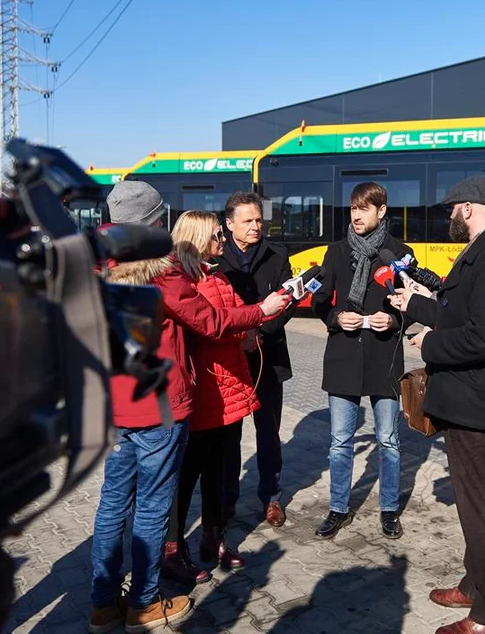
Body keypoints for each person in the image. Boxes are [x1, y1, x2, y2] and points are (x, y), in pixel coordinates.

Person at [90, 181, 255, 633]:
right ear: (153, 221)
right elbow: (212, 320)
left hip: (115, 404)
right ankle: (143, 604)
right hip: (160, 407)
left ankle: (102, 604)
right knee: (151, 508)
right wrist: (264, 309)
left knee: (110, 506)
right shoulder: (160, 270)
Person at [390, 175, 485, 634]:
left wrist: (429, 344)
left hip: (478, 407)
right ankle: (476, 585)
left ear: (467, 208)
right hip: (471, 402)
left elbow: (482, 336)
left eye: (453, 209)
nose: (450, 217)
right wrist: (416, 304)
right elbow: (461, 313)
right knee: (474, 508)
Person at [164, 211, 287, 582]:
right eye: (217, 234)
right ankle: (173, 547)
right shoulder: (184, 281)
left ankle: (213, 539)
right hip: (205, 391)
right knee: (186, 475)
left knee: (221, 471)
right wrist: (251, 321)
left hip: (229, 388)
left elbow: (234, 314)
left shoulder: (215, 273)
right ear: (198, 237)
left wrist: (251, 326)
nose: (223, 240)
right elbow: (212, 324)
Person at [311, 182, 413, 540]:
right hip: (343, 357)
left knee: (387, 440)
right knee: (340, 440)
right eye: (353, 208)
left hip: (384, 358)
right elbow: (321, 300)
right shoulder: (336, 252)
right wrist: (337, 317)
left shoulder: (401, 253)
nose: (355, 215)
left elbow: (410, 303)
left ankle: (388, 509)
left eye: (363, 209)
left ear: (381, 211)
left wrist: (395, 319)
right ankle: (338, 508)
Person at [215, 192, 295, 529]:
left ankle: (271, 497)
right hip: (231, 359)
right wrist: (240, 336)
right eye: (247, 221)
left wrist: (260, 333)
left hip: (268, 354)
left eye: (259, 220)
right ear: (229, 223)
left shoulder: (277, 255)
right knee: (228, 435)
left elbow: (287, 301)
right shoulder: (215, 260)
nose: (255, 227)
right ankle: (227, 497)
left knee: (268, 433)